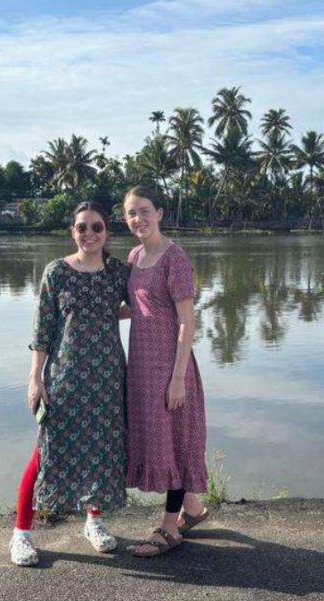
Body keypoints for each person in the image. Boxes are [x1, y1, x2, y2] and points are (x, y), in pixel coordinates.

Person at [10, 202, 130, 567]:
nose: (90, 234)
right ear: (72, 232)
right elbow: (42, 330)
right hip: (64, 377)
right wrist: (35, 378)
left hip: (108, 378)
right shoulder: (57, 272)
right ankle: (21, 534)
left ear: (107, 231)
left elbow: (137, 304)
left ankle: (93, 521)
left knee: (100, 450)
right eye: (82, 228)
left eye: (97, 227)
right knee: (44, 453)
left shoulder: (119, 272)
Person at [122, 186, 210, 558]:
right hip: (141, 365)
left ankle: (170, 528)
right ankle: (193, 509)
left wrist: (177, 379)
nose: (137, 219)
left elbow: (186, 322)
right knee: (159, 440)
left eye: (143, 211)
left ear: (159, 213)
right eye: (130, 214)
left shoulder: (175, 258)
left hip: (171, 367)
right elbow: (137, 307)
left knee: (175, 441)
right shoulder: (135, 255)